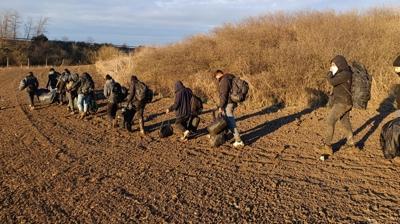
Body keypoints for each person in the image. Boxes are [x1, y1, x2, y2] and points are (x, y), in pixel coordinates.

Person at [321, 55, 354, 157]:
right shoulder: (344, 73)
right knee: (345, 122)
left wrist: (330, 72)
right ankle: (351, 144)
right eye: (331, 65)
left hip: (342, 103)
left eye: (334, 64)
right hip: (344, 102)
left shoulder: (345, 74)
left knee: (330, 121)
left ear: (340, 64)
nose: (332, 66)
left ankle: (327, 146)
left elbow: (331, 81)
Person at [215, 70, 244, 148]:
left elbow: (223, 94)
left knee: (230, 121)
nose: (217, 79)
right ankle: (225, 136)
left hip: (228, 103)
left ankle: (238, 141)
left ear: (218, 75)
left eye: (216, 77)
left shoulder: (224, 80)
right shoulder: (230, 77)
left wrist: (221, 106)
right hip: (232, 102)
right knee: (226, 119)